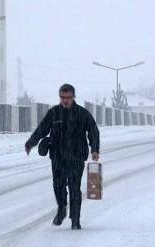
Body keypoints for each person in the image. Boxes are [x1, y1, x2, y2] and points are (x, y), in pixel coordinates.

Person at [25, 84, 100, 230]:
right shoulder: (54, 113)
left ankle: (75, 219)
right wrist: (30, 143)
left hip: (76, 156)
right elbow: (42, 130)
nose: (65, 101)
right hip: (58, 156)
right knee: (58, 186)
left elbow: (93, 131)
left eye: (68, 98)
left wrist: (95, 149)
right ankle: (61, 209)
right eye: (62, 97)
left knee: (74, 187)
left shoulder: (82, 114)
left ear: (73, 97)